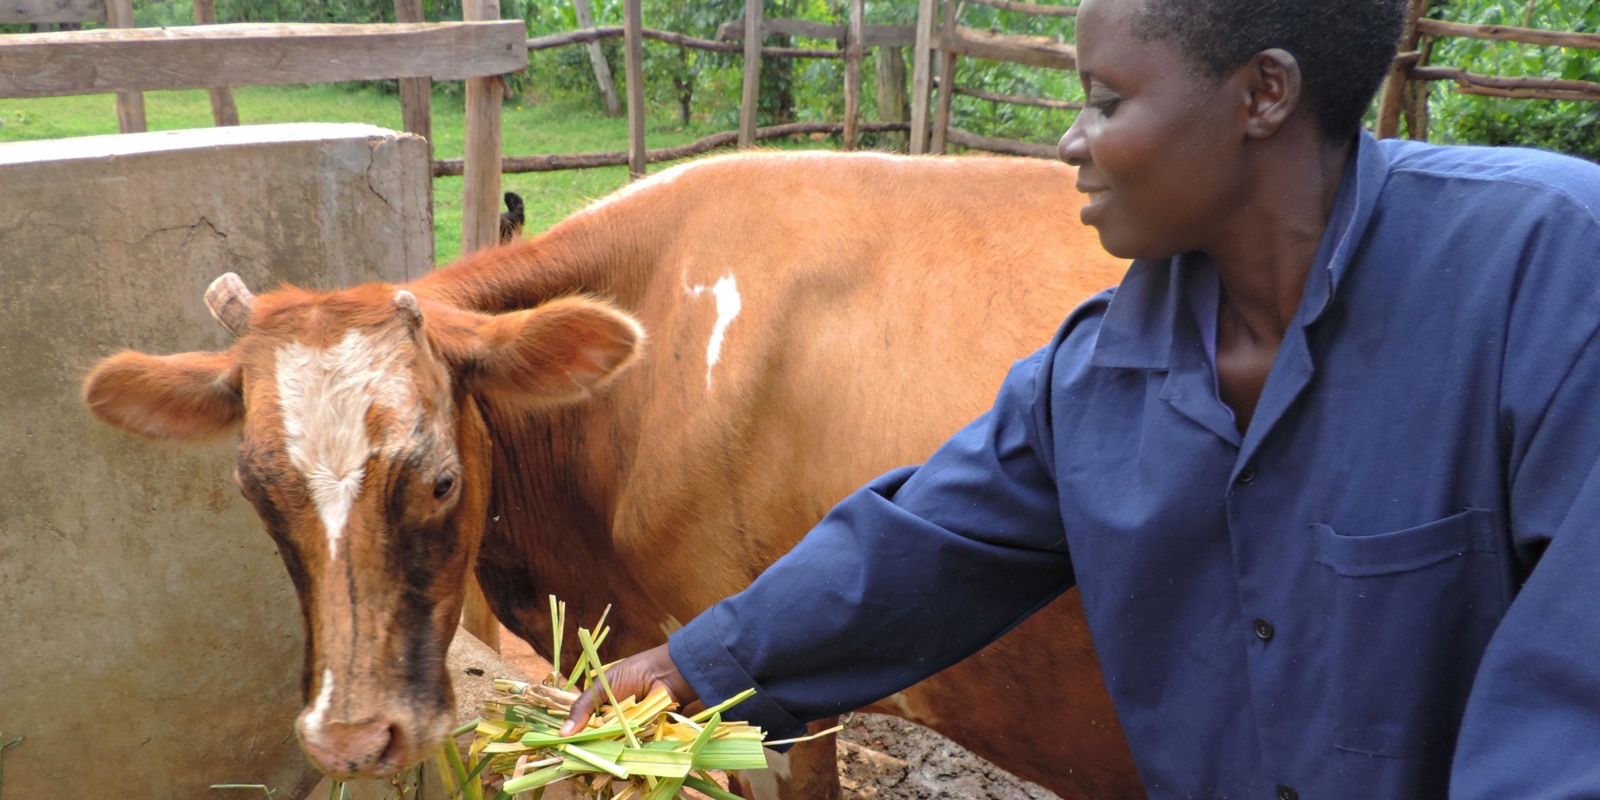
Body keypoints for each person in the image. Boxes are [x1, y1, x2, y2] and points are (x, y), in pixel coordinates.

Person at [561, 0, 1600, 795]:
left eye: (1107, 101)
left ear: (1262, 95)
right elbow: (918, 547)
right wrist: (693, 664)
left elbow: (1569, 695)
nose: (1070, 141)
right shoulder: (1102, 372)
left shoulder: (1544, 277)